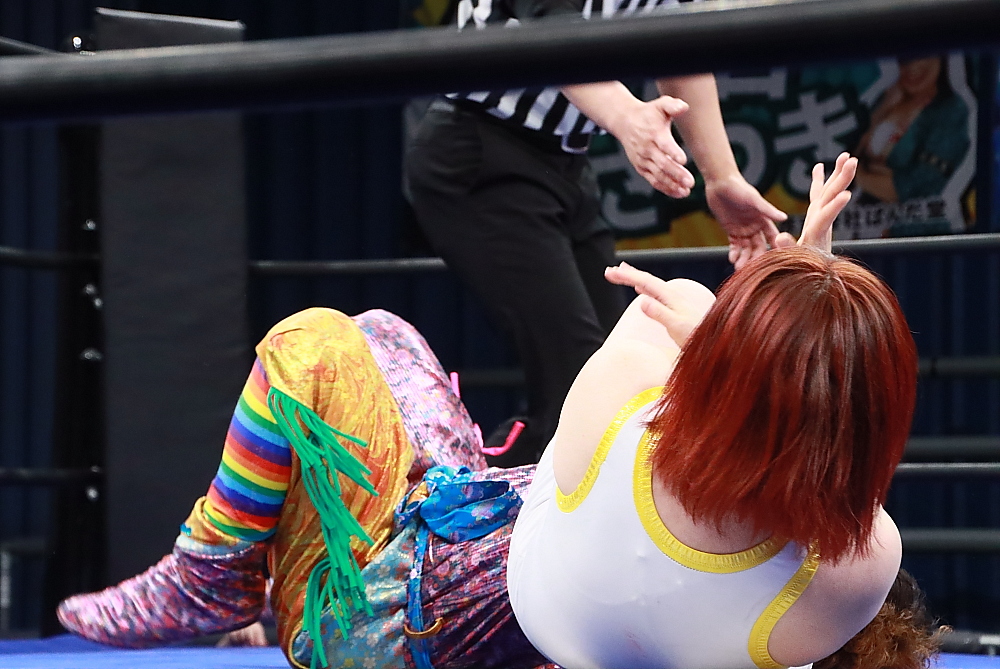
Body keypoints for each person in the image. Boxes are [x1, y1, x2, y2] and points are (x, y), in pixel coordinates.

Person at [57, 155, 937, 669]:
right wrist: (799, 306)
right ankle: (250, 578)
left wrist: (760, 307)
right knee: (390, 342)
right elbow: (823, 446)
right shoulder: (843, 580)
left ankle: (212, 570)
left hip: (378, 619)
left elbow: (672, 327)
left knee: (322, 340)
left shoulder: (618, 427)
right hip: (493, 575)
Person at [406, 0, 788, 466]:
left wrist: (722, 176)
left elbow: (677, 42)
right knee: (583, 377)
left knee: (619, 363)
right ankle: (486, 495)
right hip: (479, 152)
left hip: (565, 164)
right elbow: (554, 31)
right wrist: (628, 118)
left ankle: (519, 487)